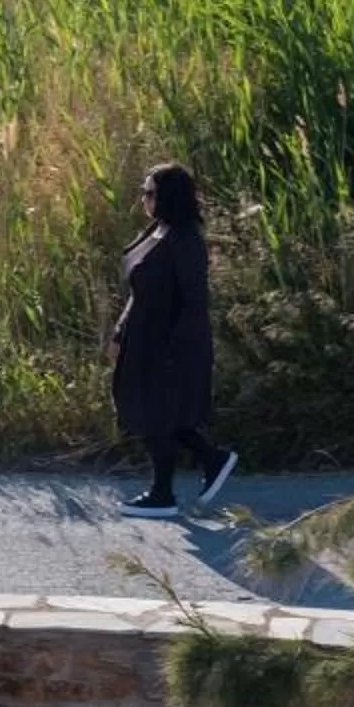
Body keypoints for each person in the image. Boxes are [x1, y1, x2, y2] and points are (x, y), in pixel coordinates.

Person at [107, 162, 236, 519]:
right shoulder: (157, 231)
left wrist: (175, 350)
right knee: (152, 412)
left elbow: (194, 301)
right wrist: (119, 332)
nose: (144, 200)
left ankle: (163, 493)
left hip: (168, 344)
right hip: (143, 338)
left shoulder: (186, 240)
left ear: (169, 197)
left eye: (150, 193)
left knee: (157, 414)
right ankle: (211, 460)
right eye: (143, 192)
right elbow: (139, 291)